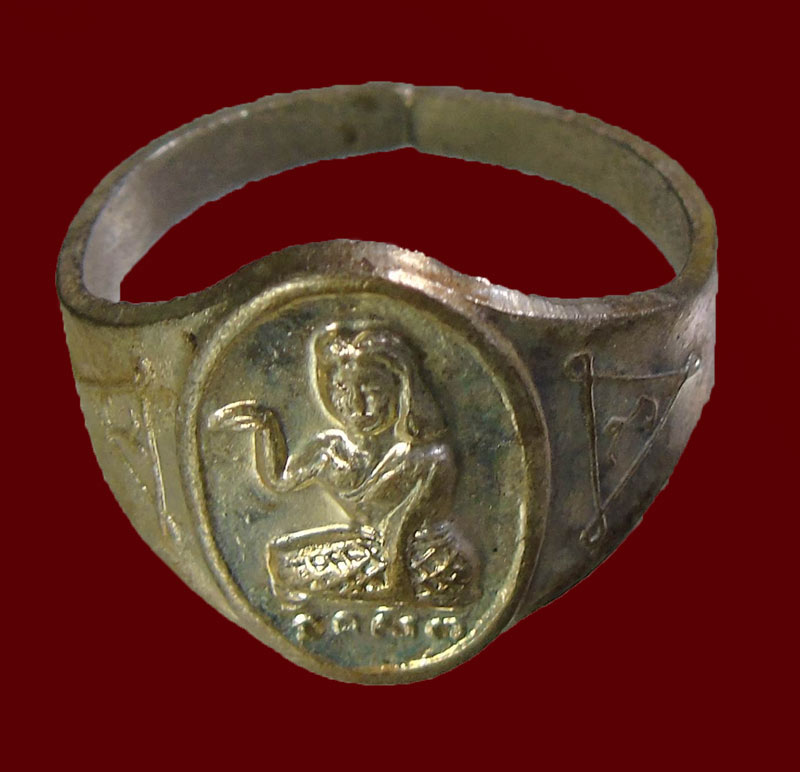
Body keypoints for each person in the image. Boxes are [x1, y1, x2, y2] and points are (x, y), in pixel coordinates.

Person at [211, 322, 477, 605]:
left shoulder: (429, 459)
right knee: (282, 560)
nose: (356, 405)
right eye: (342, 388)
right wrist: (265, 426)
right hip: (365, 549)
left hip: (423, 554)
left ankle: (380, 589)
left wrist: (395, 579)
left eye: (371, 391)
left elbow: (406, 529)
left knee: (452, 574)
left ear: (402, 392)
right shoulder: (330, 451)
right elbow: (280, 481)